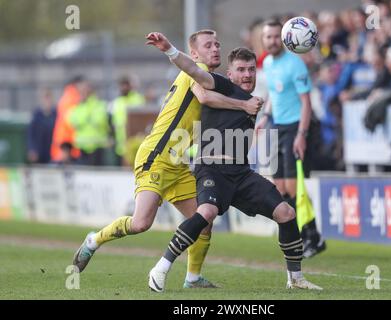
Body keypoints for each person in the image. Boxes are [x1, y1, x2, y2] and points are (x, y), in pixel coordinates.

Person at [72, 30, 263, 289]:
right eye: (208, 45)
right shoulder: (195, 71)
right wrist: (170, 50)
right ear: (194, 53)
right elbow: (205, 96)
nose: (216, 49)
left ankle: (192, 278)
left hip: (178, 162)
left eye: (217, 44)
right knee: (141, 224)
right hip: (157, 156)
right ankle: (94, 240)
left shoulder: (211, 79)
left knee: (203, 221)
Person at [145, 32, 322, 292]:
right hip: (212, 169)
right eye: (241, 70)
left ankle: (295, 279)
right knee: (206, 213)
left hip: (241, 174)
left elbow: (279, 93)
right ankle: (160, 268)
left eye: (251, 69)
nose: (247, 74)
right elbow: (193, 69)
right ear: (230, 74)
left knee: (287, 213)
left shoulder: (253, 99)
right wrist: (169, 49)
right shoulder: (221, 85)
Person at [256, 20, 326, 258]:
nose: (273, 41)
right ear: (263, 40)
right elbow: (275, 94)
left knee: (296, 189)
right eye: (269, 37)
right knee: (281, 189)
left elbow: (306, 102)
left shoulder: (295, 64)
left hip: (295, 127)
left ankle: (313, 237)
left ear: (284, 39)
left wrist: (301, 135)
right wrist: (265, 116)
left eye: (277, 36)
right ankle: (296, 236)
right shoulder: (266, 62)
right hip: (277, 127)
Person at [111, 77, 146, 165]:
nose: (124, 88)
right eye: (122, 86)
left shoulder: (138, 99)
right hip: (122, 141)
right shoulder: (117, 102)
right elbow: (115, 121)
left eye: (126, 85)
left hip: (135, 141)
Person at [27, 88, 57, 164]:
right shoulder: (36, 115)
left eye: (48, 97)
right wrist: (32, 150)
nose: (47, 101)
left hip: (52, 153)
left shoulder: (56, 114)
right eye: (45, 98)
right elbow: (31, 134)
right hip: (39, 153)